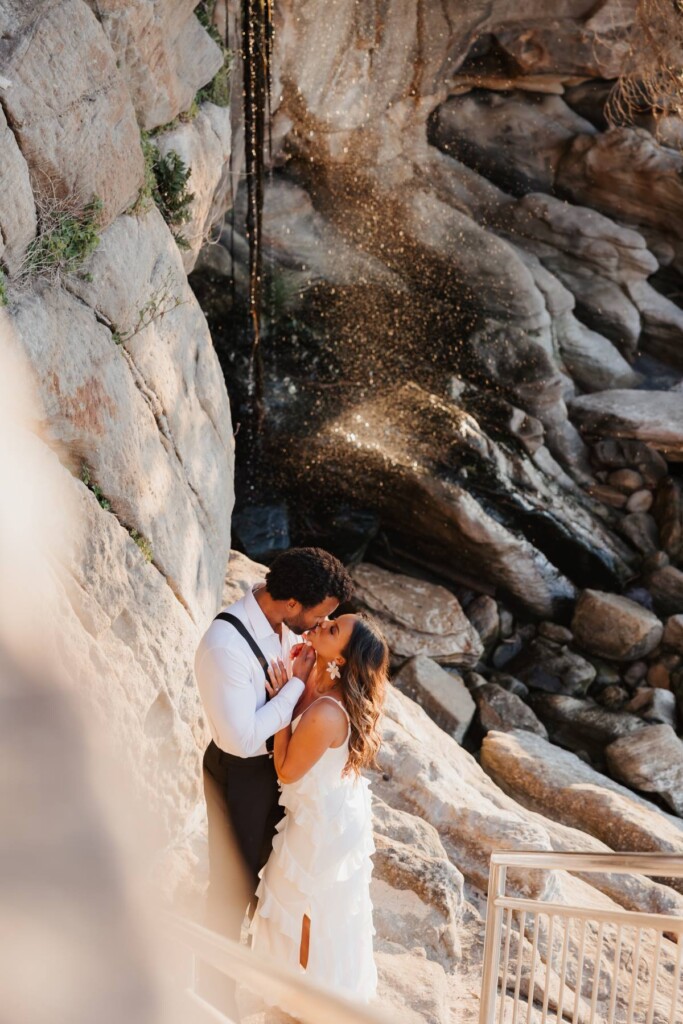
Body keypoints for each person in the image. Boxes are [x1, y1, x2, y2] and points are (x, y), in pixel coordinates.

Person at [194, 547, 354, 959]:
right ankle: (213, 996)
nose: (320, 626)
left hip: (280, 773)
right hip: (241, 775)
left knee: (276, 881)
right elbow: (242, 740)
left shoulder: (288, 626)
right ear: (292, 603)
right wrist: (293, 689)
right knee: (233, 890)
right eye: (318, 616)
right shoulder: (226, 645)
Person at [249, 611, 389, 1005]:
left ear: (341, 659)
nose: (322, 623)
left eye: (332, 629)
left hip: (320, 825)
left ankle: (310, 1005)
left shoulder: (330, 713)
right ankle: (309, 998)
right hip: (330, 808)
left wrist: (281, 701)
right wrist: (301, 679)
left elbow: (287, 771)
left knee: (302, 909)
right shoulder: (320, 677)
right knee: (312, 909)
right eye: (330, 619)